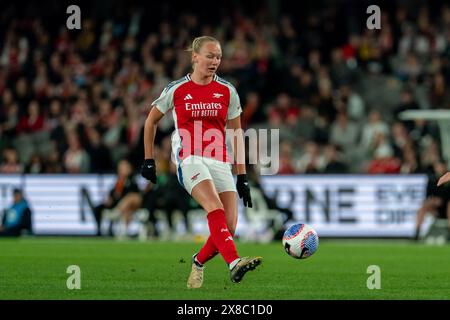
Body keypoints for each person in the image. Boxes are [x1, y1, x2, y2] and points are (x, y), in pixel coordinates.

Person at [140, 36, 262, 288]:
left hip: (220, 160)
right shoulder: (176, 89)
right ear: (194, 57)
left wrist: (242, 176)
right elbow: (150, 121)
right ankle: (234, 263)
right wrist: (148, 160)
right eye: (209, 56)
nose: (215, 61)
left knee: (228, 227)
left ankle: (198, 261)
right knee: (214, 209)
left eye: (218, 57)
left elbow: (237, 134)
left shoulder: (228, 91)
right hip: (190, 159)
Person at [83, 159, 142, 236]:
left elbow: (132, 194)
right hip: (114, 203)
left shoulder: (131, 181)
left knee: (126, 207)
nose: (123, 169)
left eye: (125, 167)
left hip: (123, 205)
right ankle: (99, 229)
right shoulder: (118, 181)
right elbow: (113, 193)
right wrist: (110, 198)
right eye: (122, 167)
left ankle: (118, 221)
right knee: (98, 208)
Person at [414, 162, 450, 240]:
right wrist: (432, 201)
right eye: (437, 167)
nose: (439, 169)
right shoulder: (432, 181)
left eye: (440, 166)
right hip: (435, 208)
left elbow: (445, 197)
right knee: (423, 208)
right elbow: (428, 196)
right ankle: (417, 232)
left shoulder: (447, 181)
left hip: (446, 206)